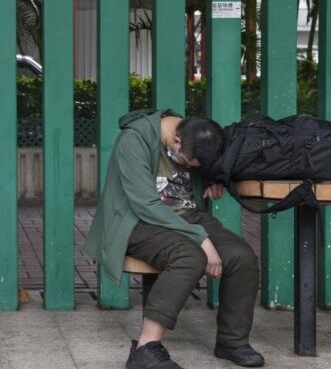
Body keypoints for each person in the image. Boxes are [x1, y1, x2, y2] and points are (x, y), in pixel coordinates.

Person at [84, 109, 264, 369]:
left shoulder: (191, 135)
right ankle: (145, 349)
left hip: (186, 217)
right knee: (189, 256)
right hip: (137, 222)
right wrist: (201, 239)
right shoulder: (133, 140)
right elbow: (145, 204)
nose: (187, 166)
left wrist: (216, 178)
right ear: (176, 141)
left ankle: (232, 342)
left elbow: (207, 162)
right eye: (187, 162)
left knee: (242, 256)